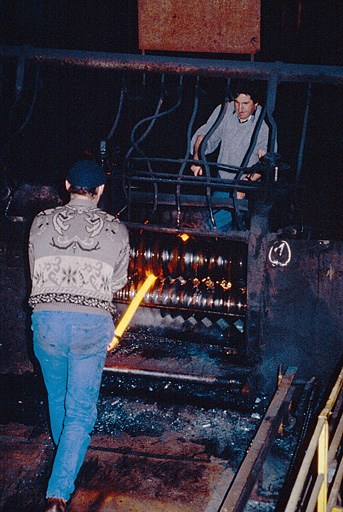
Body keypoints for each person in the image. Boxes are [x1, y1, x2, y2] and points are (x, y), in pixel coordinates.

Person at [28, 159, 130, 512]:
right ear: (101, 190)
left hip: (46, 324)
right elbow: (117, 284)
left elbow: (35, 274)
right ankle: (57, 495)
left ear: (68, 185)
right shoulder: (117, 230)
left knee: (58, 399)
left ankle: (66, 459)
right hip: (89, 326)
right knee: (81, 412)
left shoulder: (39, 223)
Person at [190, 82, 276, 229]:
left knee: (230, 226)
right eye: (237, 102)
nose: (240, 108)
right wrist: (198, 159)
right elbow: (203, 137)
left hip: (248, 185)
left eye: (245, 103)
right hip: (223, 180)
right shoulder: (225, 111)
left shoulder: (264, 125)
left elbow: (266, 164)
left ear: (255, 103)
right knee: (214, 222)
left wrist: (244, 185)